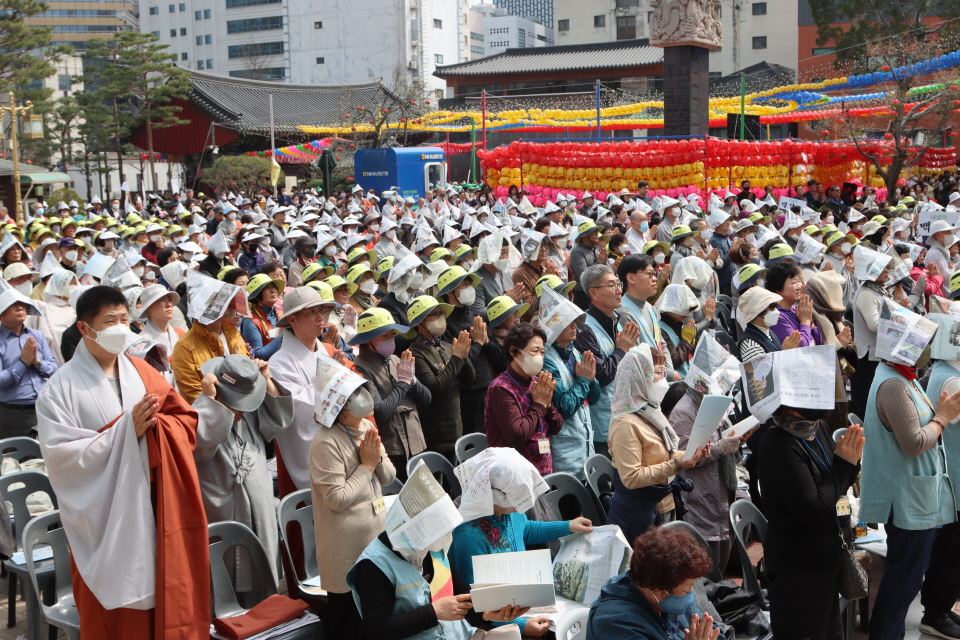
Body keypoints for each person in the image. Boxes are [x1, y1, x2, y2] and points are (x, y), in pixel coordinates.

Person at [36, 285, 209, 640]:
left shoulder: (142, 371)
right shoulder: (58, 389)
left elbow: (184, 421)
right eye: (109, 320)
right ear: (85, 328)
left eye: (124, 318)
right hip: (105, 518)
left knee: (165, 599)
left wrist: (155, 428)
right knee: (117, 621)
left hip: (154, 501)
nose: (120, 326)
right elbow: (63, 460)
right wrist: (124, 433)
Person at [861, 347, 960, 640]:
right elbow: (915, 442)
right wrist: (942, 418)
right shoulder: (892, 384)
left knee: (908, 578)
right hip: (906, 499)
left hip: (916, 494)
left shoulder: (904, 377)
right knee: (903, 579)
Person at [347, 482, 524, 640]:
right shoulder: (374, 565)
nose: (445, 537)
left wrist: (486, 613)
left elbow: (461, 593)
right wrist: (433, 612)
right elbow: (377, 629)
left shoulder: (434, 547)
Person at [449, 448, 593, 638]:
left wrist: (568, 526)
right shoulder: (467, 537)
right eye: (517, 498)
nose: (524, 505)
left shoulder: (508, 510)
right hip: (499, 619)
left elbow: (527, 529)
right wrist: (522, 625)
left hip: (522, 597)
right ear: (493, 495)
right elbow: (478, 602)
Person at [757, 405, 863, 640]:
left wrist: (851, 462)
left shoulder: (820, 427)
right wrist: (845, 464)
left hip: (828, 561)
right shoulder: (778, 443)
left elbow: (836, 486)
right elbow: (813, 508)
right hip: (799, 569)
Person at [192, 354, 293, 598]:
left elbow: (279, 421)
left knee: (266, 575)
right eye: (236, 402)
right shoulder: (202, 410)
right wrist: (209, 401)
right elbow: (200, 446)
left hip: (260, 505)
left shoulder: (248, 414)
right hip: (225, 509)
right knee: (227, 586)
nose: (240, 409)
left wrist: (266, 379)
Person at [311, 370, 395, 640]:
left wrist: (376, 457)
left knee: (375, 616)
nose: (365, 396)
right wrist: (367, 465)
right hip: (345, 551)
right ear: (340, 404)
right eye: (355, 393)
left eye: (363, 389)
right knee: (347, 623)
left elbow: (389, 477)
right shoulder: (325, 441)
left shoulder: (366, 428)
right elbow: (337, 499)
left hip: (375, 539)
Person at [606, 344, 708, 542]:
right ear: (637, 378)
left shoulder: (651, 413)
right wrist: (678, 464)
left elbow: (664, 454)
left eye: (663, 373)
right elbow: (632, 477)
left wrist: (691, 454)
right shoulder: (625, 424)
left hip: (663, 505)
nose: (663, 380)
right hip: (636, 515)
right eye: (657, 373)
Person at [271, 286, 356, 492]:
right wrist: (329, 380)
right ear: (292, 320)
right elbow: (298, 410)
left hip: (342, 439)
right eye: (311, 312)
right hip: (314, 449)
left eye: (322, 311)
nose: (320, 317)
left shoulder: (325, 351)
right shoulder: (279, 362)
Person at [587, 527, 724, 640]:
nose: (690, 595)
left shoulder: (673, 591)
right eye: (685, 590)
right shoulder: (616, 624)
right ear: (656, 589)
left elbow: (710, 631)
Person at [669, 384, 750, 574]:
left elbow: (717, 440)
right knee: (704, 566)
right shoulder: (685, 411)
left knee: (720, 562)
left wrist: (737, 440)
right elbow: (687, 457)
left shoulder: (710, 404)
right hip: (699, 498)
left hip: (718, 493)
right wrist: (721, 447)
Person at [351, 307, 431, 480]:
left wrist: (413, 381)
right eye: (384, 336)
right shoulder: (360, 367)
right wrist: (402, 383)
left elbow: (426, 399)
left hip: (416, 441)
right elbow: (380, 412)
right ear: (368, 340)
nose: (390, 340)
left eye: (392, 335)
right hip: (392, 447)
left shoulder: (395, 359)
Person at [574, 264, 640, 457]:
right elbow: (600, 375)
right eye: (612, 285)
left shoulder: (617, 319)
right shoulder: (584, 328)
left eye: (618, 284)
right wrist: (621, 350)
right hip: (605, 422)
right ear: (593, 293)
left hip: (628, 414)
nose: (619, 290)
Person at [485, 322, 564, 474]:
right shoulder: (501, 388)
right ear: (514, 351)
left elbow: (557, 426)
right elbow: (517, 435)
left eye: (542, 352)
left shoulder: (536, 382)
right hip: (513, 476)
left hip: (542, 471)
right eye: (535, 351)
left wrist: (548, 406)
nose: (540, 357)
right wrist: (540, 404)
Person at [919, 355, 960, 638]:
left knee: (950, 547)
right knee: (950, 549)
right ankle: (935, 614)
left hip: (950, 474)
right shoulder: (952, 379)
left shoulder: (943, 370)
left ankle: (941, 609)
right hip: (954, 476)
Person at [407, 295, 475, 462]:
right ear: (419, 322)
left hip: (457, 433)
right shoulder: (415, 353)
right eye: (434, 314)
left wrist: (464, 357)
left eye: (441, 313)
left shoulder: (446, 346)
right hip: (435, 439)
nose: (440, 318)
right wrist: (457, 358)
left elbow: (469, 379)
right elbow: (434, 387)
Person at [541, 300, 600, 480]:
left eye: (575, 320)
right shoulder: (547, 359)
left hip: (586, 447)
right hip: (565, 453)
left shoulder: (575, 352)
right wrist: (583, 379)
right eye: (568, 322)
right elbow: (565, 407)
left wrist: (591, 379)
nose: (575, 325)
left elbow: (595, 398)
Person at [172, 279, 250, 405]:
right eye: (222, 299)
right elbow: (193, 395)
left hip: (244, 408)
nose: (231, 302)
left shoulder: (234, 334)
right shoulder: (184, 346)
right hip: (214, 416)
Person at [0, 290, 57, 437]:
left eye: (22, 305)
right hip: (12, 412)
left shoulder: (36, 335)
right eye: (13, 305)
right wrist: (22, 364)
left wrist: (36, 362)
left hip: (43, 406)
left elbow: (53, 367)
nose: (20, 308)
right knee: (15, 455)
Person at [239, 273, 285, 360]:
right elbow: (257, 355)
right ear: (257, 296)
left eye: (273, 286)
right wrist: (281, 334)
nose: (272, 290)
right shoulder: (250, 321)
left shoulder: (281, 313)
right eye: (266, 288)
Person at [570, 221, 608, 309]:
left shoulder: (596, 249)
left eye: (597, 231)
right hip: (584, 297)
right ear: (584, 235)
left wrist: (612, 267)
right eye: (593, 232)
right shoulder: (577, 251)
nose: (597, 234)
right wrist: (599, 262)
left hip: (598, 293)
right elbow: (584, 275)